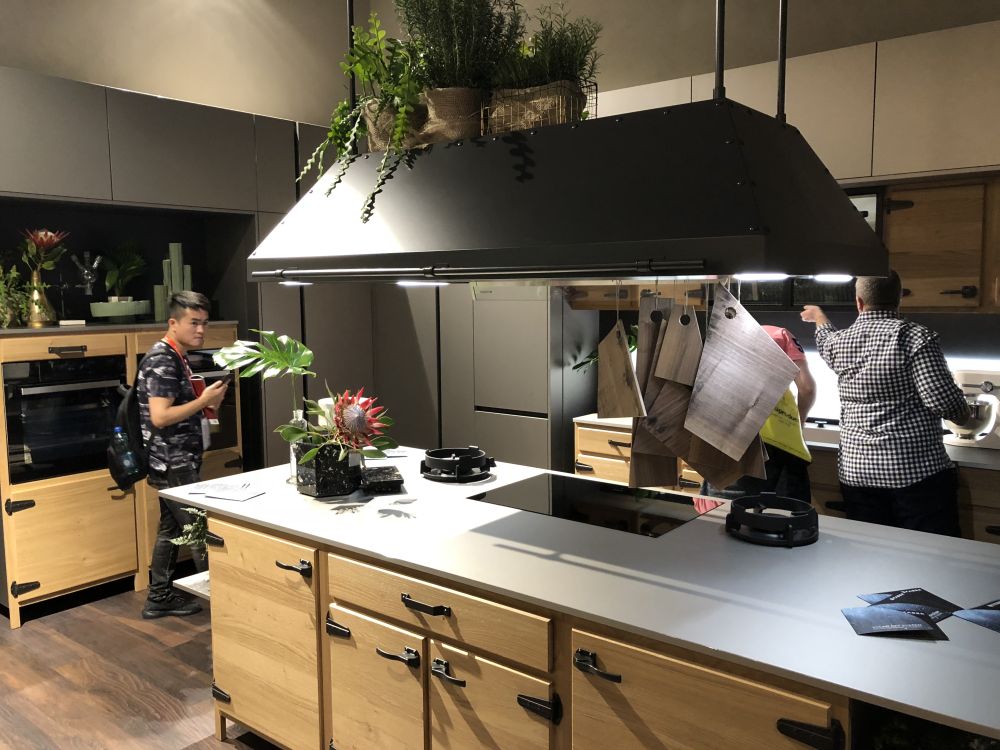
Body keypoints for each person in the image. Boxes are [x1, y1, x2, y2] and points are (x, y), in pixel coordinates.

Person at [801, 270, 970, 536]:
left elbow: (824, 340)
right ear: (900, 298)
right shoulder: (915, 338)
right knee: (931, 559)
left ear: (859, 302)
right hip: (915, 475)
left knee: (871, 556)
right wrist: (966, 416)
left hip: (858, 475)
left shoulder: (840, 343)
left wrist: (819, 318)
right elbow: (944, 403)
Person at [138, 291, 228, 618]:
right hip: (173, 461)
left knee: (171, 529)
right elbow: (160, 416)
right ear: (173, 323)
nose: (201, 330)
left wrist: (205, 404)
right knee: (199, 532)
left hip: (176, 459)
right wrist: (203, 403)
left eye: (204, 323)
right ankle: (225, 610)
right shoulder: (163, 359)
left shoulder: (178, 356)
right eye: (194, 323)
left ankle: (159, 596)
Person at [729, 325, 817, 502]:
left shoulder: (730, 336)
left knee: (732, 511)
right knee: (783, 514)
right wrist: (800, 420)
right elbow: (807, 388)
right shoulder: (780, 335)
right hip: (779, 442)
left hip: (733, 439)